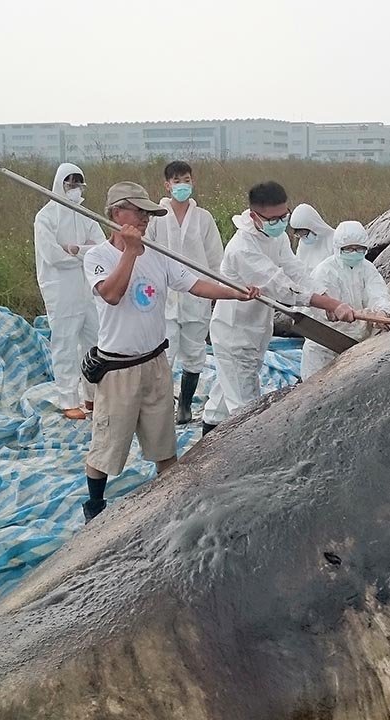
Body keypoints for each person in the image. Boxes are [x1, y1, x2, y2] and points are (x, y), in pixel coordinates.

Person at [80, 182, 259, 522]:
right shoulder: (98, 257)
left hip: (155, 364)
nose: (146, 219)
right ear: (118, 213)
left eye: (149, 213)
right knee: (106, 447)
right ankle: (94, 506)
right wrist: (130, 252)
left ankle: (174, 506)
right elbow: (112, 294)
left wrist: (235, 293)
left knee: (164, 445)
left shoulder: (158, 255)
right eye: (139, 212)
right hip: (118, 370)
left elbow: (194, 284)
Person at [202, 182, 355, 435]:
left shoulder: (277, 236)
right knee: (244, 407)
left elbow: (295, 270)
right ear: (253, 216)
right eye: (272, 219)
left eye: (283, 216)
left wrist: (329, 297)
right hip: (234, 334)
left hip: (257, 329)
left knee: (221, 401)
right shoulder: (242, 249)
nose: (280, 223)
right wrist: (328, 304)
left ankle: (201, 449)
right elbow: (281, 286)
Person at [143, 160, 224, 424]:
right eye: (176, 181)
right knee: (163, 352)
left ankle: (185, 406)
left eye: (186, 180)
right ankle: (162, 405)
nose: (182, 186)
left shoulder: (203, 218)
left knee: (194, 351)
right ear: (167, 185)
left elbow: (214, 257)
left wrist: (216, 292)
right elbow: (146, 254)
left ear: (193, 182)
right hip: (164, 296)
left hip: (196, 295)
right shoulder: (156, 216)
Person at [33, 162, 104, 419]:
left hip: (87, 288)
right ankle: (67, 399)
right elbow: (52, 255)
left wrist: (76, 249)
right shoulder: (46, 217)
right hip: (60, 290)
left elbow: (101, 248)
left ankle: (94, 396)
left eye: (77, 183)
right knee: (64, 343)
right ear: (59, 184)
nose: (74, 188)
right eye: (69, 183)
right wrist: (80, 253)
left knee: (95, 342)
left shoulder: (86, 215)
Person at [300, 221, 390, 380]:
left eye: (359, 249)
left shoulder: (367, 268)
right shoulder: (325, 271)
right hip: (324, 347)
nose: (354, 253)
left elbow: (378, 292)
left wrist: (382, 311)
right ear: (338, 248)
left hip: (355, 345)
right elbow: (316, 308)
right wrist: (333, 313)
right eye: (349, 249)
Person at [290, 203, 335, 271]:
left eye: (305, 234)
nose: (303, 238)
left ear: (313, 227)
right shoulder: (303, 243)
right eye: (299, 235)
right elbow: (299, 266)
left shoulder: (333, 240)